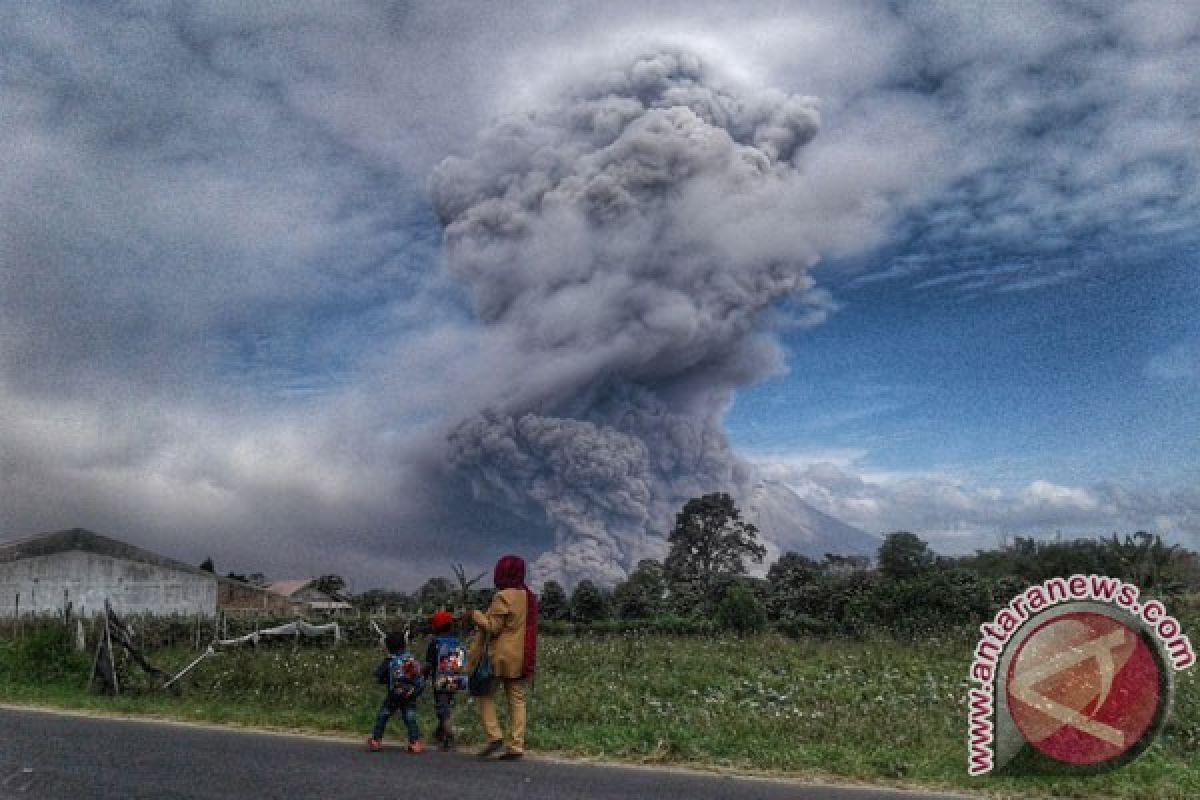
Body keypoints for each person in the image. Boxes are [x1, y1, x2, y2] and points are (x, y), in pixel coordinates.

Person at [468, 554, 539, 760]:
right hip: (521, 656)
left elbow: (493, 627)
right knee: (517, 700)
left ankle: (494, 736)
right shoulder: (528, 596)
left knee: (485, 695)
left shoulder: (502, 596)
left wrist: (475, 615)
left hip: (499, 657)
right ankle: (516, 746)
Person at [367, 631, 426, 753]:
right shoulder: (411, 658)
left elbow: (379, 676)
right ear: (405, 644)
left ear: (389, 647)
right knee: (410, 718)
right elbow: (419, 676)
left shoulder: (390, 660)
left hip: (394, 695)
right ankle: (415, 743)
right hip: (410, 694)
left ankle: (376, 740)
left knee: (383, 715)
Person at [425, 609, 467, 750]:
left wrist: (422, 678)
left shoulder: (435, 643)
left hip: (441, 680)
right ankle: (438, 734)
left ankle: (450, 737)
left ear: (436, 627)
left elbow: (429, 664)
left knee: (442, 709)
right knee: (446, 706)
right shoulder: (457, 643)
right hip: (456, 679)